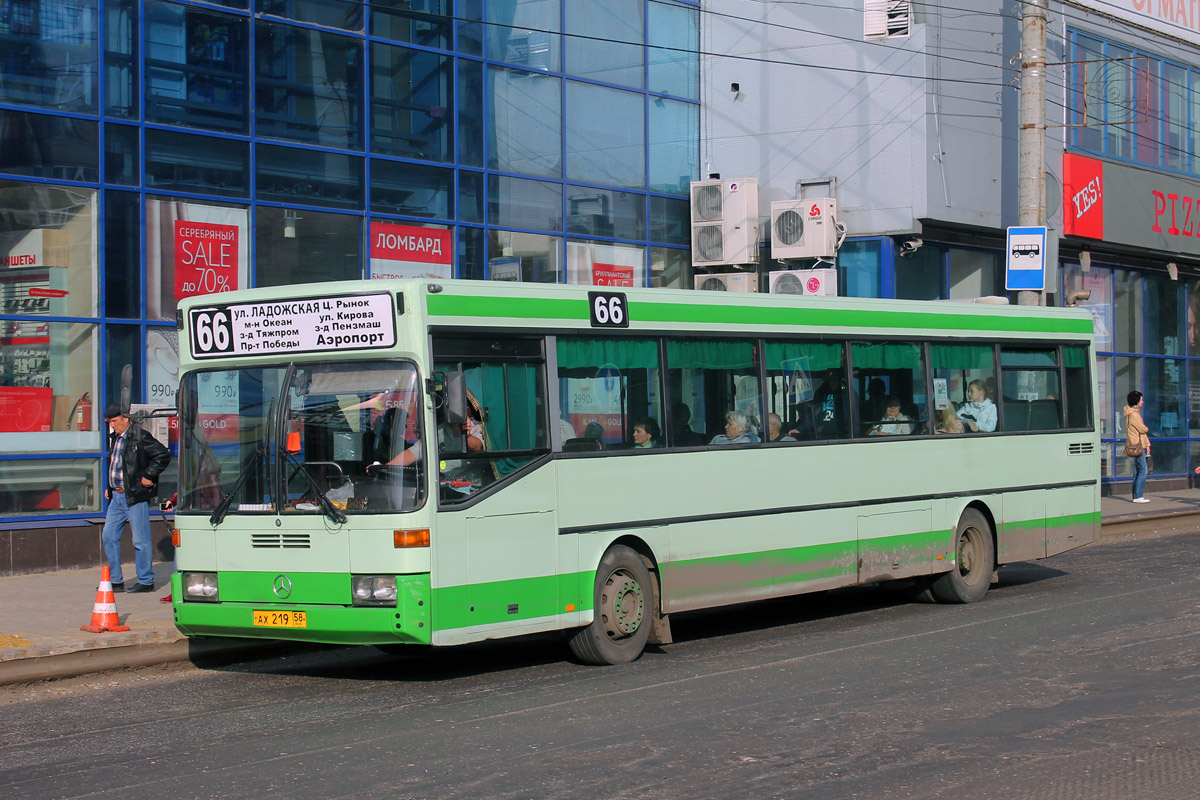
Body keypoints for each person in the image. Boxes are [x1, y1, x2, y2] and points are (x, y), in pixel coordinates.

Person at [102, 405, 170, 593]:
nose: (112, 425)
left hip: (134, 497)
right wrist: (110, 487)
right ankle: (115, 580)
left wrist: (149, 475)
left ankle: (146, 580)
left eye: (114, 421)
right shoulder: (115, 438)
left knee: (140, 540)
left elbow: (162, 455)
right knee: (108, 536)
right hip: (116, 497)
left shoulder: (139, 436)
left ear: (125, 418)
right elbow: (116, 465)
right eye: (110, 423)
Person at [1124, 390, 1151, 503]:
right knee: (1143, 470)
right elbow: (1142, 429)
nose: (1143, 402)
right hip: (1138, 445)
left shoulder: (1132, 413)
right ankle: (1138, 496)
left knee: (1137, 470)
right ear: (1137, 401)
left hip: (1137, 444)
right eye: (1141, 400)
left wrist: (1148, 444)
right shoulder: (1134, 414)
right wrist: (1146, 428)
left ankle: (1136, 495)